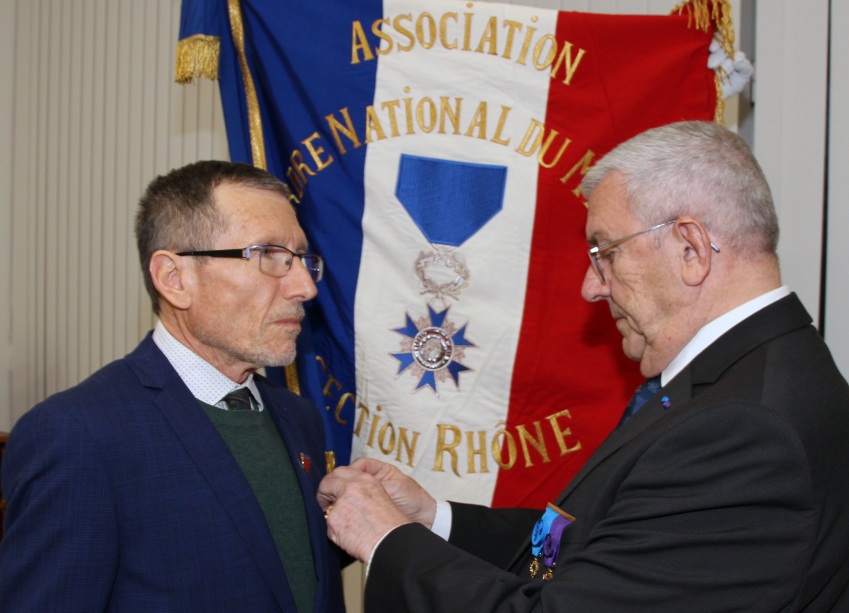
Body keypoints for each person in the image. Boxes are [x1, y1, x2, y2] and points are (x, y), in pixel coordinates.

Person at [317, 121, 849, 612]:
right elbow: (591, 538)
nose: (591, 287)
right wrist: (434, 519)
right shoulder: (742, 376)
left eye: (606, 253)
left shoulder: (744, 429)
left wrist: (387, 538)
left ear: (691, 249)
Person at [0, 161, 345, 612]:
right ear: (174, 279)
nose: (304, 287)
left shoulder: (296, 417)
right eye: (269, 256)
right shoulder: (78, 435)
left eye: (301, 259)